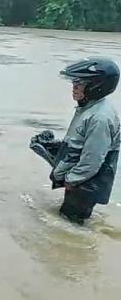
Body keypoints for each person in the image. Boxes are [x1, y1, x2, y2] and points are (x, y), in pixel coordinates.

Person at [47, 57, 120, 225]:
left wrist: (71, 180)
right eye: (74, 81)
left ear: (96, 86)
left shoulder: (100, 118)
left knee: (71, 226)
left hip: (85, 183)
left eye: (80, 82)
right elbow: (80, 143)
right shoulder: (88, 107)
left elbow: (92, 160)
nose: (74, 87)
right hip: (81, 180)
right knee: (68, 222)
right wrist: (54, 146)